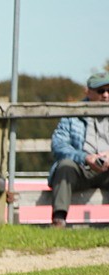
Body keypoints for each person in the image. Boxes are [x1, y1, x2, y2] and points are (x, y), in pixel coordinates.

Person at [49, 72, 109, 228]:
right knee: (65, 166)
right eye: (101, 91)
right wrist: (85, 157)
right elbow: (58, 145)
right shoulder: (72, 114)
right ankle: (59, 220)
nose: (106, 95)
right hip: (82, 169)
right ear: (87, 91)